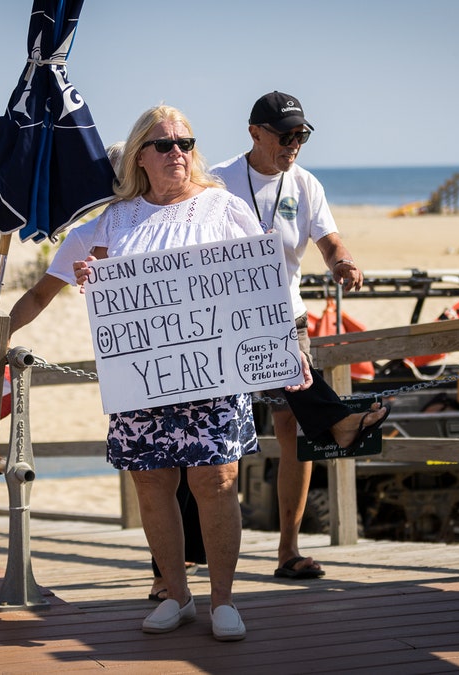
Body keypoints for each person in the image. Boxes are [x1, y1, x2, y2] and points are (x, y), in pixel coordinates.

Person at [73, 105, 296, 641]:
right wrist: (93, 277)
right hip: (142, 375)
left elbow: (267, 283)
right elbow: (105, 283)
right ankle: (175, 593)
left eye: (185, 143)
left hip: (214, 373)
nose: (178, 152)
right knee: (151, 483)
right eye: (164, 144)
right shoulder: (117, 216)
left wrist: (289, 346)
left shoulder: (223, 206)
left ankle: (224, 600)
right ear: (139, 158)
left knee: (215, 480)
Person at [10, 143, 208, 603]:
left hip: (197, 366)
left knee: (201, 478)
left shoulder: (182, 216)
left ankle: (185, 578)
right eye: (116, 173)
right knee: (156, 475)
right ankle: (166, 579)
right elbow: (40, 296)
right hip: (136, 371)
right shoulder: (91, 232)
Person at [211, 91, 385, 580]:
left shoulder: (306, 185)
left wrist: (343, 261)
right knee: (210, 435)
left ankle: (287, 550)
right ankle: (182, 562)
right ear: (255, 133)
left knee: (290, 430)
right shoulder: (218, 182)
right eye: (286, 135)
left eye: (302, 135)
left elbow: (328, 240)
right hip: (223, 325)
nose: (295, 144)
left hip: (285, 319)